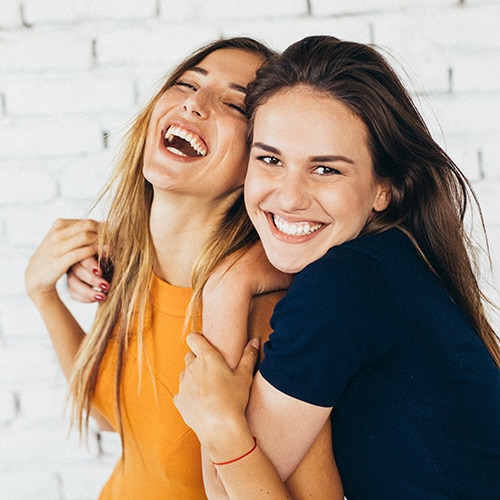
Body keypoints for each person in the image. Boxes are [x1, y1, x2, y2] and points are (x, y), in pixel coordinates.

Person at [174, 35, 500, 499]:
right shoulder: (390, 262)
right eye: (269, 159)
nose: (288, 197)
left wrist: (226, 290)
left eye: (325, 169)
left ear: (384, 189)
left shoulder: (346, 285)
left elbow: (224, 493)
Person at [25, 37, 342, 499]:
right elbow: (112, 414)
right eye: (186, 84)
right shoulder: (132, 272)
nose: (195, 104)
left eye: (233, 103)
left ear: (259, 162)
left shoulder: (263, 319)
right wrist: (44, 295)